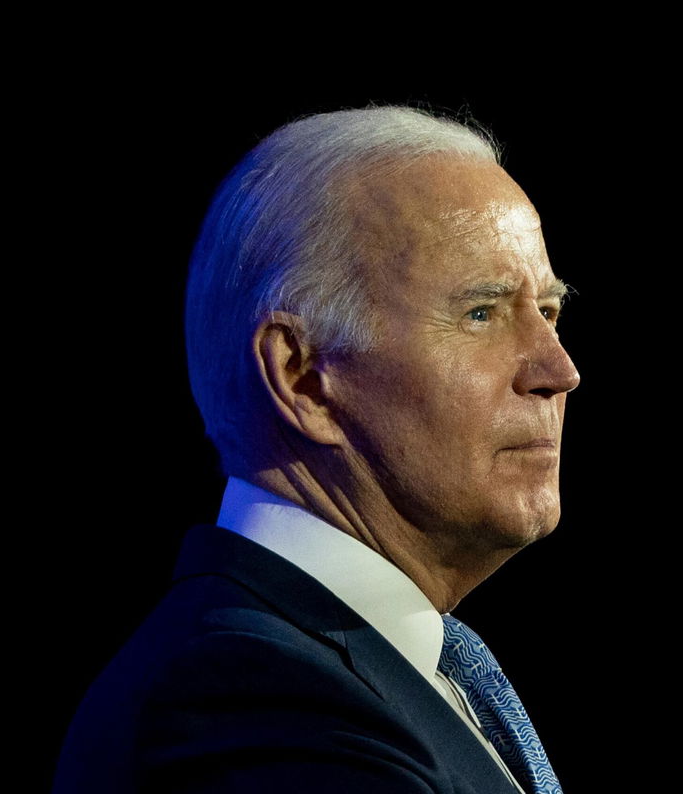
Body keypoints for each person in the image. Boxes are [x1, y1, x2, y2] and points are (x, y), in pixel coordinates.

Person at [52, 106, 580, 793]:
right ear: (301, 375)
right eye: (481, 312)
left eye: (548, 311)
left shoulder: (378, 673)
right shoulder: (247, 702)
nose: (558, 370)